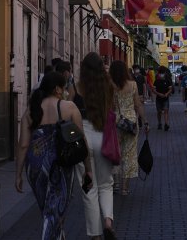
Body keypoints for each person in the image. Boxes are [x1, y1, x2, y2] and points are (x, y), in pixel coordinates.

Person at [15, 71, 93, 240]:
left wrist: (18, 174)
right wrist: (88, 169)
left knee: (49, 212)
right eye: (65, 88)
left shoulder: (31, 112)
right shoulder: (69, 108)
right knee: (54, 214)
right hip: (60, 165)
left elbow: (23, 145)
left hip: (35, 168)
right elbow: (81, 141)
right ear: (58, 89)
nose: (66, 91)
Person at [75, 53, 117, 240]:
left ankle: (95, 234)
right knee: (106, 185)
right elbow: (111, 110)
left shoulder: (76, 88)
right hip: (102, 137)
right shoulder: (108, 87)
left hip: (82, 136)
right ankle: (108, 220)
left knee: (89, 188)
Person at [109, 60, 148, 196]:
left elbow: (110, 106)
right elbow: (138, 105)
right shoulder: (132, 85)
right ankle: (125, 188)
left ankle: (115, 183)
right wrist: (145, 121)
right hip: (131, 122)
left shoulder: (110, 86)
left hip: (116, 122)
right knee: (129, 154)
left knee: (115, 153)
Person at [151, 66, 173, 130]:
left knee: (166, 111)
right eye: (160, 73)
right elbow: (153, 90)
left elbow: (170, 89)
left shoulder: (167, 80)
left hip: (165, 98)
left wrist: (167, 94)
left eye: (162, 73)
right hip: (158, 99)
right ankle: (159, 123)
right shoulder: (156, 81)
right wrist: (159, 94)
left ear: (165, 73)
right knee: (159, 112)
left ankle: (166, 124)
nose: (161, 74)